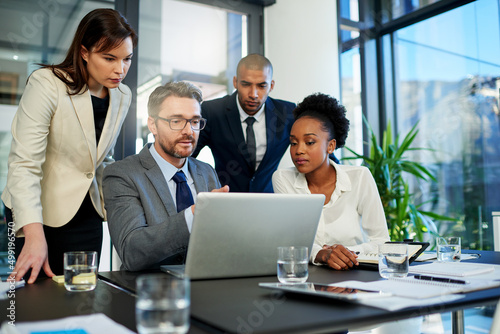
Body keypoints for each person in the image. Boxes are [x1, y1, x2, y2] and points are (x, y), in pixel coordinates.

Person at [2, 8, 137, 283]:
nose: (120, 69)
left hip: (86, 209)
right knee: (35, 298)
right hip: (36, 207)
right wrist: (33, 233)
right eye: (109, 58)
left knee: (81, 294)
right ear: (85, 52)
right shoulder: (47, 84)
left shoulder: (123, 95)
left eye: (127, 59)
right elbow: (24, 164)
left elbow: (100, 157)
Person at [103, 82, 229, 271]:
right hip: (148, 292)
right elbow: (132, 252)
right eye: (176, 121)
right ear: (153, 124)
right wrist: (192, 215)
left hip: (205, 288)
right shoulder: (122, 174)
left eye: (195, 121)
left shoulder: (207, 171)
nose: (189, 131)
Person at [272, 93, 390, 270]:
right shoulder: (283, 179)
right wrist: (321, 255)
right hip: (309, 276)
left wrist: (342, 253)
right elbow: (291, 241)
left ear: (331, 146)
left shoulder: (360, 177)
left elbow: (381, 241)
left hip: (358, 272)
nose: (299, 150)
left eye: (309, 142)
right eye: (294, 143)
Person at [192, 54, 295, 193]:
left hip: (268, 203)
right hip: (226, 202)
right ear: (235, 82)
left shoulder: (287, 113)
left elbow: (318, 152)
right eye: (246, 84)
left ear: (271, 86)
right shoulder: (212, 111)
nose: (253, 94)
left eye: (261, 86)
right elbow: (187, 157)